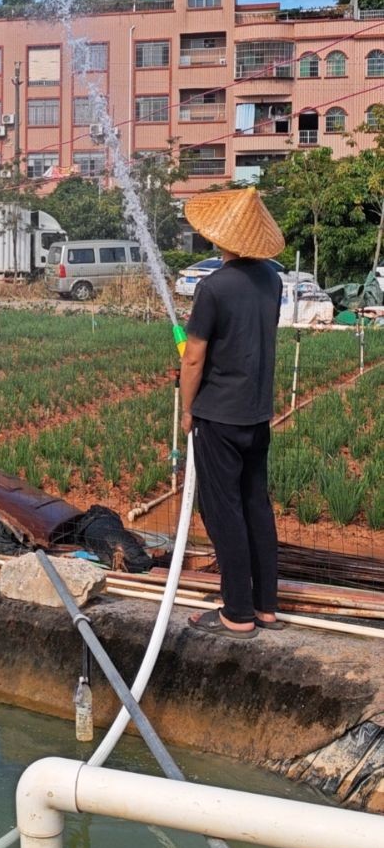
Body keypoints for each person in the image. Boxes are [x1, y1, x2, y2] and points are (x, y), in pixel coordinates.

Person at [178, 187, 285, 640]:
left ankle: (236, 614)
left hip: (218, 417)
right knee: (255, 505)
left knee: (222, 511)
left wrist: (187, 411)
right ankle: (266, 606)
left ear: (222, 236)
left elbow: (194, 358)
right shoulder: (273, 280)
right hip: (257, 415)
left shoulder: (213, 288)